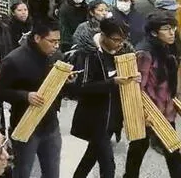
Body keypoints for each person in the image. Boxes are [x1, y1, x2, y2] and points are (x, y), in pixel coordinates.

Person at [0, 19, 69, 178]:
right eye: (52, 41)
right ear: (37, 38)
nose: (56, 46)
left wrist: (66, 81)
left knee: (52, 172)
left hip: (50, 125)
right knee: (22, 172)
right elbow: (0, 92)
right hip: (25, 126)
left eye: (58, 41)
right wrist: (25, 96)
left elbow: (64, 90)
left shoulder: (57, 56)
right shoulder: (14, 60)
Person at [70, 17, 137, 178]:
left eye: (123, 40)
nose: (120, 43)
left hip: (112, 118)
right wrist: (112, 82)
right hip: (94, 119)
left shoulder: (124, 52)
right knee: (108, 165)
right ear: (104, 35)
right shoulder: (88, 54)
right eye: (116, 40)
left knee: (90, 158)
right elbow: (82, 87)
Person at [124, 12, 181, 178]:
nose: (172, 32)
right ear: (154, 32)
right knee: (138, 149)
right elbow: (137, 86)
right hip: (150, 112)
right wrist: (142, 113)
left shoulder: (167, 47)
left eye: (174, 28)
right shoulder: (145, 53)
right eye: (167, 29)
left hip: (166, 110)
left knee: (173, 151)